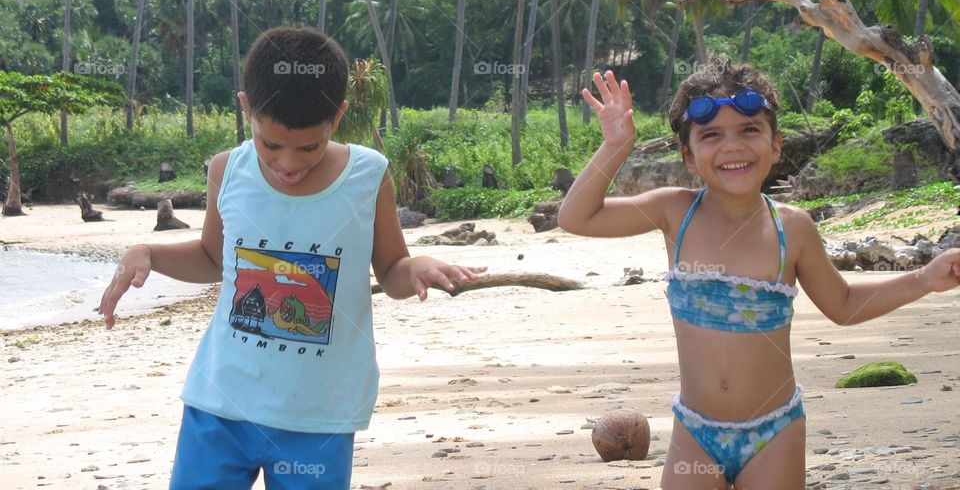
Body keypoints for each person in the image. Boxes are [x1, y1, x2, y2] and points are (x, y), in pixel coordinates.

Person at [98, 26, 485, 490]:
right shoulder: (228, 169)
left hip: (318, 415)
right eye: (270, 145)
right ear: (246, 109)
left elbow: (390, 271)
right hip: (220, 403)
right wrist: (147, 253)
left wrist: (416, 267)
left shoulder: (368, 175)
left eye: (309, 147)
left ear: (337, 116)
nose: (287, 163)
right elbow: (212, 258)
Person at [558, 57, 960, 489]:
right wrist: (616, 145)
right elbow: (577, 217)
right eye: (711, 135)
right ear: (689, 156)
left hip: (775, 431)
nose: (732, 146)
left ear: (776, 145)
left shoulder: (793, 228)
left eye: (749, 130)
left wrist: (924, 279)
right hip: (695, 431)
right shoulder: (674, 212)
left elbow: (842, 305)